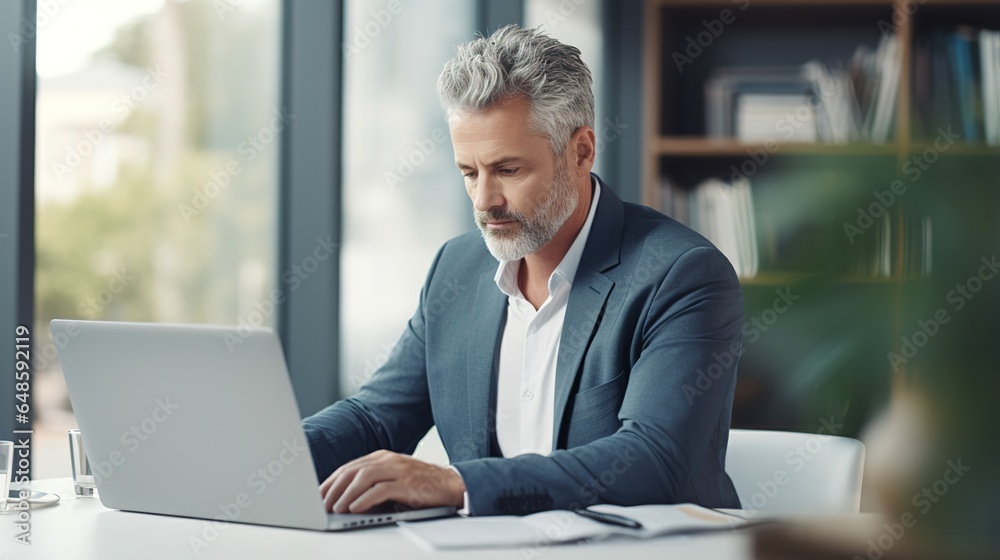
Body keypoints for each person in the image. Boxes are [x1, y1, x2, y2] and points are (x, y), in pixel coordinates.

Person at [303, 24, 743, 517]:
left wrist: (458, 484)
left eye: (508, 170)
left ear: (580, 152)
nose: (485, 201)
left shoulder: (683, 275)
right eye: (469, 173)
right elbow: (375, 419)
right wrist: (270, 455)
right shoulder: (456, 268)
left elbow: (654, 460)